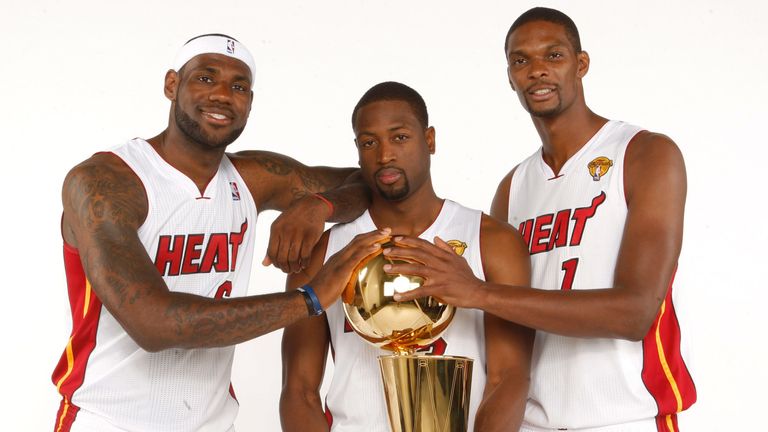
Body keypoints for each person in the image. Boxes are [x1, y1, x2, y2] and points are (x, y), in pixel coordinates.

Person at [51, 34, 385, 432]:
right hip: (107, 421)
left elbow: (364, 182)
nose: (223, 95)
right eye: (205, 79)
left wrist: (319, 206)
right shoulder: (105, 181)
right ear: (171, 84)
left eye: (239, 86)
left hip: (211, 422)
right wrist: (311, 297)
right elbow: (155, 325)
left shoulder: (254, 178)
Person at [388, 8, 697, 432]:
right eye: (521, 61)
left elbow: (635, 313)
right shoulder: (512, 189)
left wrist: (478, 291)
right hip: (531, 421)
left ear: (581, 64)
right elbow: (502, 336)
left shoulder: (645, 154)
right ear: (510, 76)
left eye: (553, 56)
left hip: (626, 417)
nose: (536, 71)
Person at [279, 81, 534, 432]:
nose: (385, 155)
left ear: (429, 140)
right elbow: (299, 390)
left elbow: (509, 378)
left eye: (399, 137)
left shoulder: (490, 240)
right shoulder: (326, 251)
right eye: (370, 142)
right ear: (357, 151)